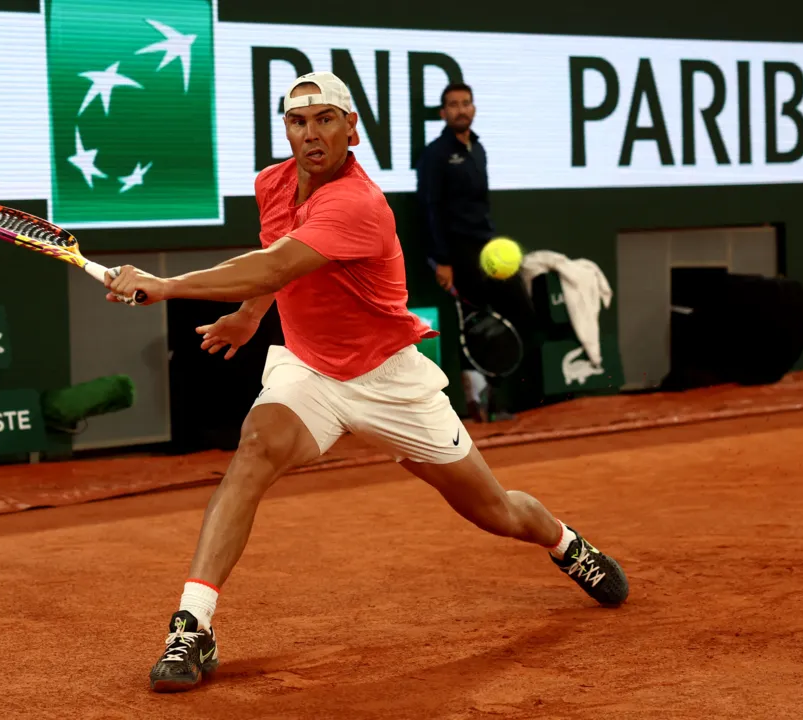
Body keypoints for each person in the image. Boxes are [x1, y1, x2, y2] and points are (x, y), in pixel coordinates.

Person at [105, 71, 628, 694]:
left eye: (325, 119)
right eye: (298, 122)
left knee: (493, 510)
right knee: (254, 451)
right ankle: (193, 623)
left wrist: (166, 285)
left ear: (351, 129)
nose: (311, 134)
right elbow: (279, 266)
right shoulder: (272, 184)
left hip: (388, 380)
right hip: (310, 370)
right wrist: (250, 318)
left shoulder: (359, 203)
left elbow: (273, 263)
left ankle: (564, 542)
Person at [417, 82, 537, 421]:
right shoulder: (435, 154)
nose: (460, 109)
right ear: (444, 113)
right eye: (453, 105)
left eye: (465, 103)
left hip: (489, 251)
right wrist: (441, 259)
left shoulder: (478, 149)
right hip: (458, 253)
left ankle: (505, 397)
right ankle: (481, 402)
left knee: (522, 314)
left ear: (473, 108)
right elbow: (430, 208)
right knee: (476, 326)